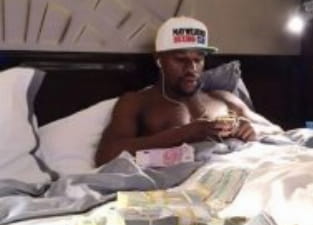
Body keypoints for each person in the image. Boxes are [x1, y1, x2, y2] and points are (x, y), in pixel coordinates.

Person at [95, 16, 281, 166]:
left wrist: (251, 130)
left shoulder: (223, 99)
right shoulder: (137, 103)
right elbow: (105, 156)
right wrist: (184, 134)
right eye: (180, 59)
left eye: (198, 59)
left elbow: (276, 132)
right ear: (159, 59)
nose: (191, 68)